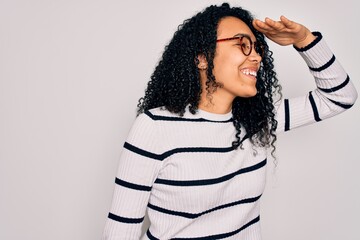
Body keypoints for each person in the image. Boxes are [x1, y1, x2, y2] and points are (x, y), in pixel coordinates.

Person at [102, 3, 357, 239]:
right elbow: (120, 232)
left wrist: (304, 40)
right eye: (242, 44)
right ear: (202, 57)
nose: (256, 57)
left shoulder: (259, 119)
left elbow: (340, 96)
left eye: (257, 47)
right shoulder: (154, 128)